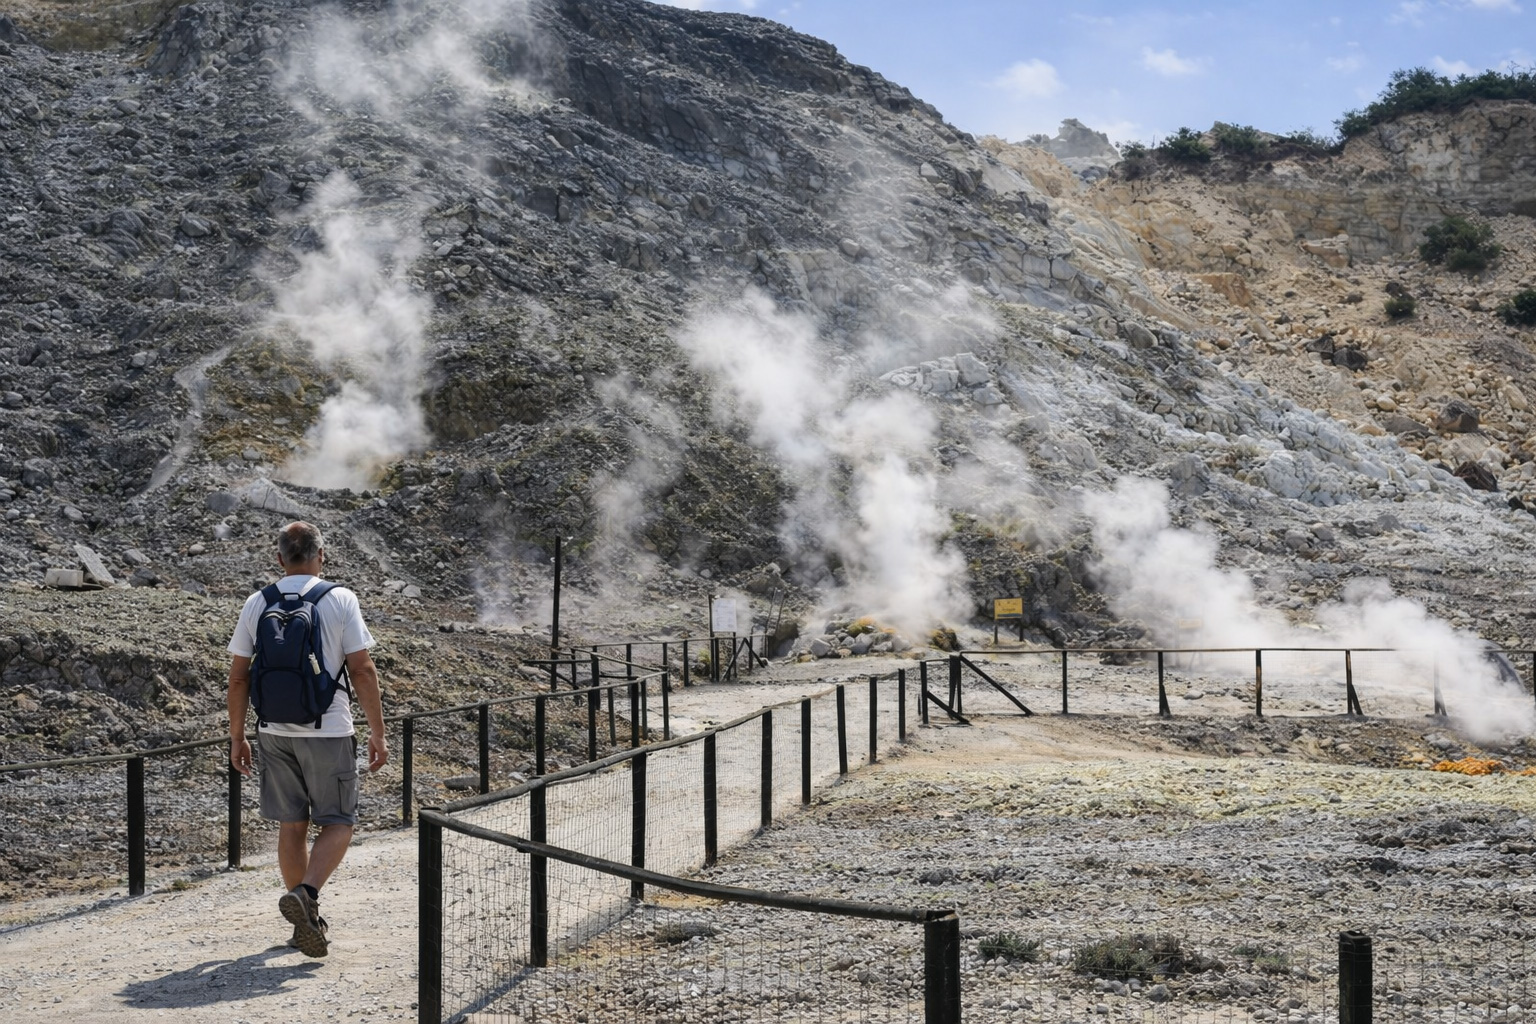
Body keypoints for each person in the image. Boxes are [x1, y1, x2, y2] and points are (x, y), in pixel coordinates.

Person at [227, 521, 387, 958]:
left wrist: (237, 737)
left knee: (292, 824)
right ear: (322, 555)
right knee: (338, 821)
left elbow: (239, 677)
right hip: (328, 728)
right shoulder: (340, 598)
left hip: (272, 730)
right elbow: (362, 669)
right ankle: (308, 895)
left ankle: (307, 918)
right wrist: (377, 730)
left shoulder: (257, 602)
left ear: (279, 559)